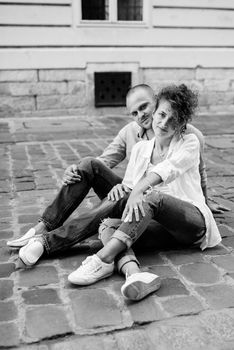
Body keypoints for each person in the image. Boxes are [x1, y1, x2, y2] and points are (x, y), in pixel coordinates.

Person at [7, 84, 217, 265]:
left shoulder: (189, 135)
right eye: (134, 113)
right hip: (135, 195)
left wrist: (204, 206)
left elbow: (197, 172)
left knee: (134, 198)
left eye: (144, 107)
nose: (140, 116)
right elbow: (104, 161)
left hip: (162, 201)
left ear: (157, 102)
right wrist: (78, 169)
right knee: (88, 165)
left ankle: (51, 243)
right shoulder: (130, 132)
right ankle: (43, 227)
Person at [66, 84, 222, 301]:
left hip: (191, 223)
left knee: (152, 196)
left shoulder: (190, 141)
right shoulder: (142, 148)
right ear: (156, 110)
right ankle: (134, 274)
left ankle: (101, 259)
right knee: (108, 224)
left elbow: (168, 170)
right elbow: (124, 179)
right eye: (162, 114)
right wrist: (124, 188)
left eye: (174, 119)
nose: (164, 122)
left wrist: (138, 190)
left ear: (182, 124)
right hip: (162, 228)